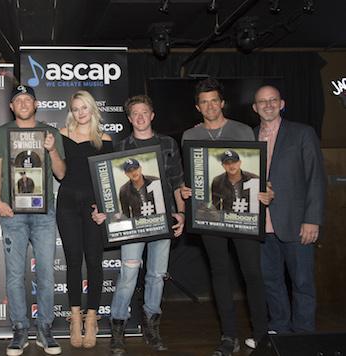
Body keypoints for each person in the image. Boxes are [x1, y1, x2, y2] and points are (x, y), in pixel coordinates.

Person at [181, 78, 271, 356]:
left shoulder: (243, 131)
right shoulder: (189, 136)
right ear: (198, 107)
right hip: (210, 215)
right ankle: (229, 336)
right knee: (219, 273)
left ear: (222, 102)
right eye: (204, 102)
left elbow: (258, 169)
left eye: (214, 100)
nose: (210, 106)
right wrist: (186, 189)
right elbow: (192, 177)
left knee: (253, 274)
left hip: (244, 214)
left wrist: (265, 190)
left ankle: (262, 336)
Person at [92, 94, 185, 355]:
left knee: (156, 275)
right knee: (129, 275)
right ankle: (118, 329)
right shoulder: (121, 147)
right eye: (135, 113)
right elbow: (109, 188)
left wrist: (182, 214)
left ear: (152, 115)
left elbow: (177, 182)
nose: (140, 117)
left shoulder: (168, 143)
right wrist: (105, 213)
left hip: (162, 221)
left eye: (145, 112)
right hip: (132, 225)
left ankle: (152, 329)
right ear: (129, 118)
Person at [0, 84, 66, 356]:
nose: (23, 103)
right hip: (12, 214)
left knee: (46, 272)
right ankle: (20, 327)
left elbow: (61, 174)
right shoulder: (1, 134)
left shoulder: (50, 133)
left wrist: (53, 149)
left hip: (44, 213)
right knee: (14, 275)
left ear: (36, 104)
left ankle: (45, 328)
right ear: (12, 106)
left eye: (28, 99)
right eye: (18, 99)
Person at [251, 85, 326, 337]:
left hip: (297, 224)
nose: (268, 105)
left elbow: (316, 178)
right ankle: (279, 330)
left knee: (302, 284)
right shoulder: (247, 137)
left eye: (273, 100)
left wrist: (312, 220)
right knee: (271, 282)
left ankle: (303, 336)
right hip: (261, 226)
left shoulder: (302, 133)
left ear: (282, 103)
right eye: (263, 101)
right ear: (255, 107)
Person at [56, 90, 112, 349]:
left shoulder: (104, 139)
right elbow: (58, 172)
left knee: (94, 261)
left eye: (84, 108)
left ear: (92, 109)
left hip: (93, 206)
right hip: (66, 202)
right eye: (75, 108)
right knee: (74, 261)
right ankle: (75, 318)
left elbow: (108, 180)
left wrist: (103, 209)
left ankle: (92, 319)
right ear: (71, 111)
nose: (80, 113)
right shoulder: (62, 135)